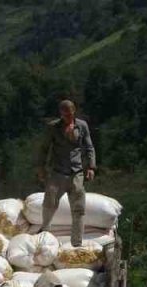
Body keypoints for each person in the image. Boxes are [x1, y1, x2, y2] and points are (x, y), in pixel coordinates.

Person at [38, 99, 97, 248]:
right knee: (49, 202)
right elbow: (44, 149)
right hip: (57, 172)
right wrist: (40, 167)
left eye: (70, 115)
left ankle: (76, 243)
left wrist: (91, 167)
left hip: (76, 172)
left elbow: (89, 147)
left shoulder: (82, 126)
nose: (68, 118)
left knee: (78, 209)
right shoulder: (53, 128)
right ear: (61, 114)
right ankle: (44, 233)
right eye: (65, 116)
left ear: (74, 112)